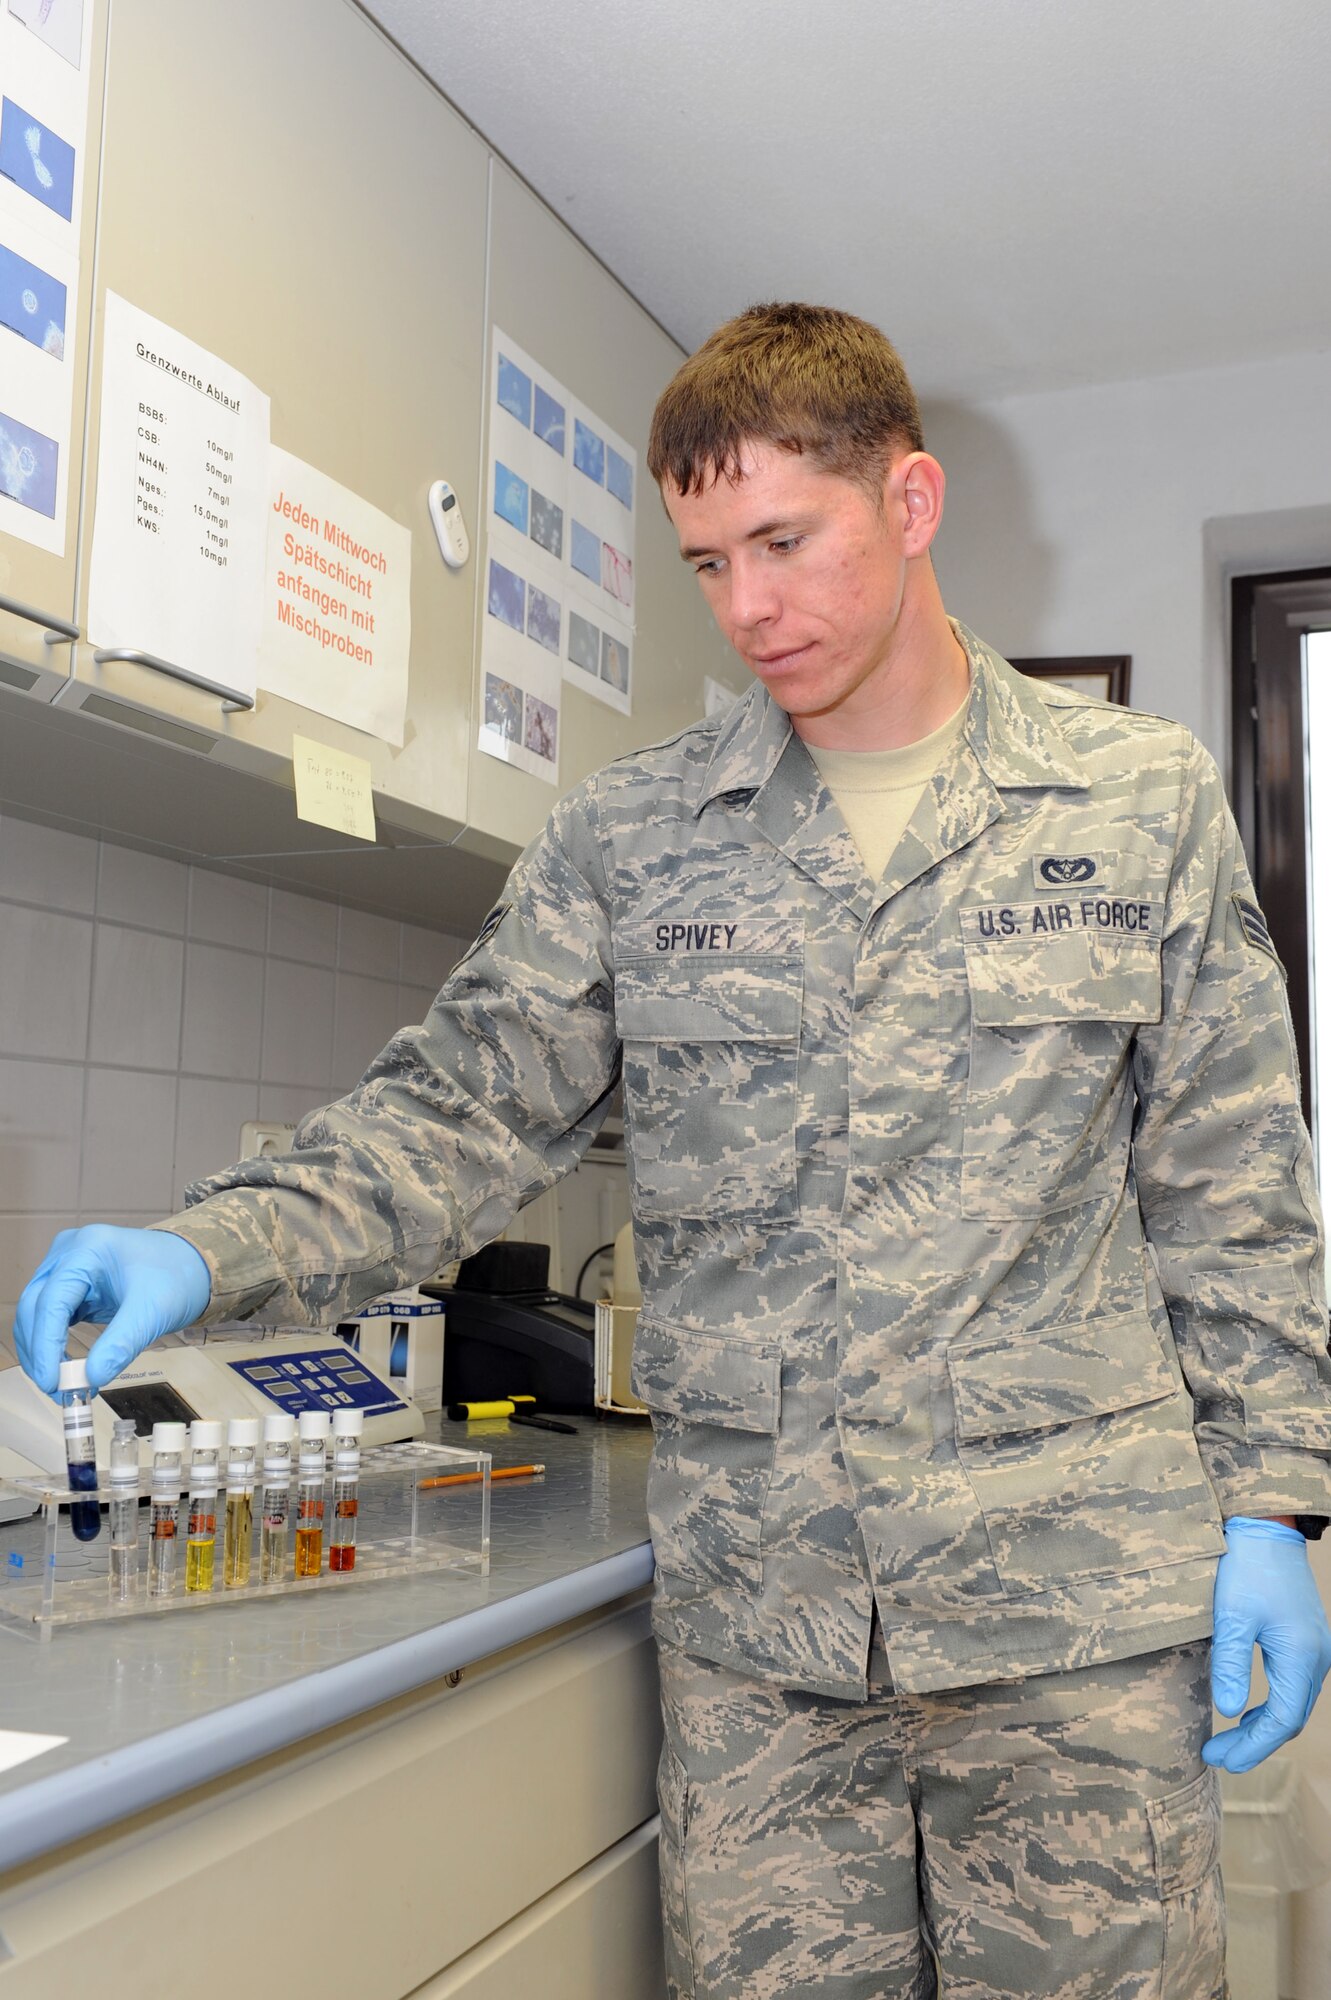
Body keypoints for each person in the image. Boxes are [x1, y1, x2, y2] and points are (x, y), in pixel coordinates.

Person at [16, 303, 1331, 1998]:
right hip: (765, 1653)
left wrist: (1278, 1509)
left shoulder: (1134, 799)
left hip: (1073, 1623)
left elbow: (1235, 1188)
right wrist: (211, 1248)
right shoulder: (632, 841)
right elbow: (455, 1107)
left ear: (912, 503)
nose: (750, 607)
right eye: (709, 562)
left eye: (786, 541)